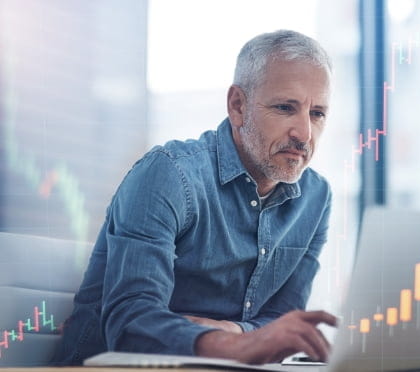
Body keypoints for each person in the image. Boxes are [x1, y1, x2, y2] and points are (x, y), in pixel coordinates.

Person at [52, 29, 337, 366]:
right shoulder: (169, 174)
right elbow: (130, 322)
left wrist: (235, 332)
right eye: (285, 107)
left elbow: (283, 320)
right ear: (238, 106)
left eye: (317, 113)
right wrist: (241, 345)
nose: (304, 133)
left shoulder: (315, 198)